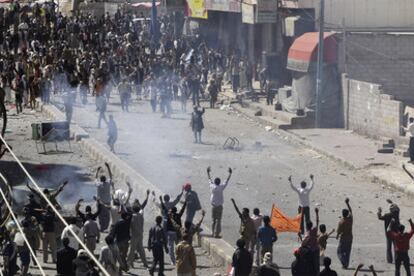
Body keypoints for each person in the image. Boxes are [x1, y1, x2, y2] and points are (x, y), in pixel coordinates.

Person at [161, 196, 187, 265]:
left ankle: (173, 261)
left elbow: (164, 209)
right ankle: (180, 259)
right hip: (177, 233)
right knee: (179, 246)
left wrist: (161, 201)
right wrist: (185, 203)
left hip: (170, 233)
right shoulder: (178, 215)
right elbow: (182, 210)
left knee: (171, 248)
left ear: (171, 211)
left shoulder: (169, 216)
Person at [127, 190, 150, 268]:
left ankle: (128, 264)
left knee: (132, 250)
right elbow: (144, 204)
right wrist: (147, 195)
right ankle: (145, 264)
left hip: (134, 236)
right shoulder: (141, 214)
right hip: (140, 235)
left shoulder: (132, 216)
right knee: (141, 250)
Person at [207, 166, 232, 238]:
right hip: (219, 206)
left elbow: (209, 179)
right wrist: (230, 173)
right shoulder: (221, 187)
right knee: (218, 220)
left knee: (213, 220)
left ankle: (212, 232)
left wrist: (208, 172)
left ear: (215, 182)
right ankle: (216, 233)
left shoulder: (212, 186)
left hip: (213, 206)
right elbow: (227, 181)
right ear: (219, 182)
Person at [378, 199, 400, 263]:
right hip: (396, 233)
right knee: (396, 247)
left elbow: (379, 217)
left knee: (389, 247)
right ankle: (397, 259)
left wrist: (379, 211)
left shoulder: (387, 215)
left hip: (388, 233)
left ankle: (389, 260)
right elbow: (397, 209)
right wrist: (392, 203)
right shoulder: (396, 215)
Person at [336, 198, 353, 269]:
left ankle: (344, 262)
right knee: (347, 251)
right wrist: (347, 203)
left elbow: (339, 231)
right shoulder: (350, 219)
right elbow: (351, 211)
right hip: (350, 237)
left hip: (343, 237)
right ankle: (346, 264)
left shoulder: (341, 222)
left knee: (339, 251)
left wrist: (337, 235)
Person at [95, 163, 113, 232]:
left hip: (100, 203)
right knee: (107, 216)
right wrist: (108, 167)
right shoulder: (108, 184)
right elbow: (111, 176)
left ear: (100, 180)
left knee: (100, 215)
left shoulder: (98, 184)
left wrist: (97, 170)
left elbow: (95, 178)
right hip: (107, 202)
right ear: (105, 179)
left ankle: (101, 228)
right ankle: (105, 227)